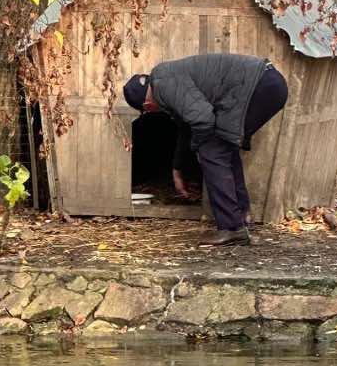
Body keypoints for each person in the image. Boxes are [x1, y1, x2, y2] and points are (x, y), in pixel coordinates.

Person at [122, 53, 290, 246]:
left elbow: (203, 119)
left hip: (258, 87)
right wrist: (177, 169)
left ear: (147, 106)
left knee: (213, 151)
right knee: (224, 147)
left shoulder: (164, 86)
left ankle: (232, 228)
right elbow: (186, 128)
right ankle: (241, 218)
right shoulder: (165, 78)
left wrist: (199, 150)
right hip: (267, 83)